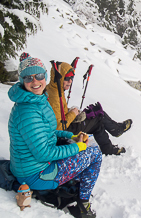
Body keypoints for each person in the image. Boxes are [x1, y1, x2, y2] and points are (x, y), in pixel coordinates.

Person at [8, 53, 101, 217]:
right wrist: (77, 148)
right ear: (22, 80)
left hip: (33, 166)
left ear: (44, 76)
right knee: (95, 154)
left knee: (86, 147)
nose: (35, 81)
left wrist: (71, 137)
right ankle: (83, 204)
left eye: (39, 75)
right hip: (37, 174)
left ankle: (76, 184)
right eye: (29, 78)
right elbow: (43, 153)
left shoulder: (37, 100)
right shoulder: (28, 112)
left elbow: (49, 132)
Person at [46, 61, 132, 156]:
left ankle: (110, 145)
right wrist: (73, 114)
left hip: (66, 127)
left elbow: (58, 113)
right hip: (64, 133)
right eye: (67, 78)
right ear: (59, 78)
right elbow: (59, 127)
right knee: (98, 117)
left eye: (71, 78)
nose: (70, 81)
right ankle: (116, 131)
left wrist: (71, 110)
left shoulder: (55, 89)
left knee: (96, 120)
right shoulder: (55, 96)